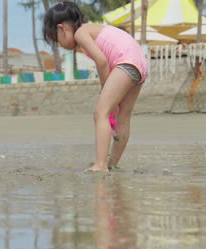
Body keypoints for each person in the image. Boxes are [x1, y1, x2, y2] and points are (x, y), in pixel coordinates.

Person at [42, 1, 148, 172]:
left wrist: (105, 90)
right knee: (123, 117)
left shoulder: (81, 33)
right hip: (140, 63)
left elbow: (102, 62)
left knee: (101, 113)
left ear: (62, 28)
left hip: (126, 61)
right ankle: (112, 163)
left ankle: (100, 165)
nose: (60, 46)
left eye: (57, 40)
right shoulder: (91, 29)